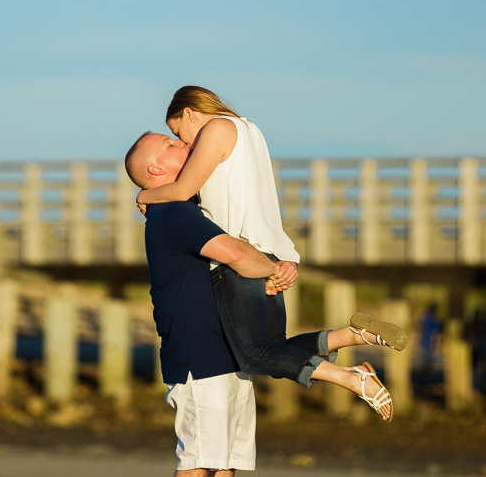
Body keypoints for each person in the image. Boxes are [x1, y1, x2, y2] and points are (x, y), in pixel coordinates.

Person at [130, 86, 402, 418]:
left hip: (242, 253)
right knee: (273, 349)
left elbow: (184, 189)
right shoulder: (250, 130)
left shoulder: (215, 129)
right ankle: (355, 334)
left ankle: (350, 376)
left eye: (177, 134)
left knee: (254, 355)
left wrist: (145, 197)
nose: (184, 142)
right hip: (270, 249)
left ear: (190, 113)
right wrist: (278, 262)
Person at [135, 143, 285, 477]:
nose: (182, 144)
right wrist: (274, 269)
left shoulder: (188, 208)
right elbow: (237, 254)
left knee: (224, 460)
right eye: (168, 144)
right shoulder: (173, 213)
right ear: (155, 168)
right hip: (198, 357)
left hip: (227, 352)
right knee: (197, 460)